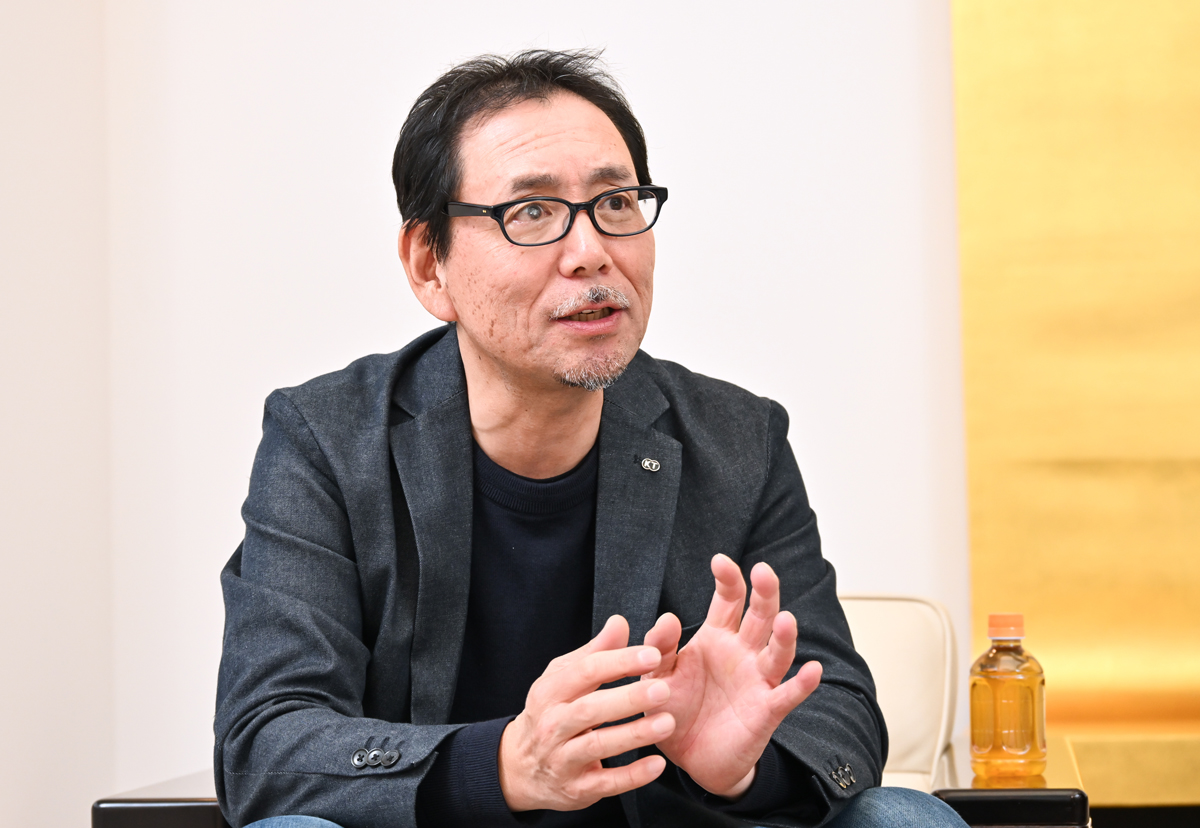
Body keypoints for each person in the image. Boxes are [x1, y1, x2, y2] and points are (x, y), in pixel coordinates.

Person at [214, 50, 968, 828]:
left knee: (903, 819)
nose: (590, 252)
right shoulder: (328, 442)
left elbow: (838, 715)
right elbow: (265, 743)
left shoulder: (740, 440)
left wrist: (741, 768)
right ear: (429, 264)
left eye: (615, 203)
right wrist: (503, 765)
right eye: (531, 213)